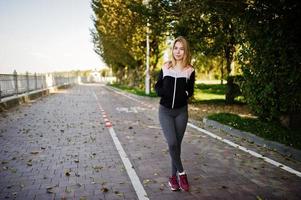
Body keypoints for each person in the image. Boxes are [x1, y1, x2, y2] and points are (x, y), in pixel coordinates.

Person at [155, 36, 195, 192]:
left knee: (176, 146)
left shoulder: (190, 70)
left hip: (181, 112)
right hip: (165, 111)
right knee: (172, 143)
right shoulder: (166, 67)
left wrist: (182, 94)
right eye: (176, 48)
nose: (178, 51)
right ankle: (182, 173)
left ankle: (173, 179)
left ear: (185, 51)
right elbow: (157, 86)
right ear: (172, 50)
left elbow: (190, 91)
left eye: (181, 48)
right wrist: (165, 93)